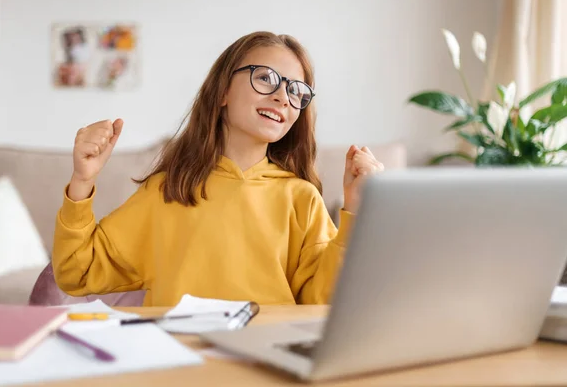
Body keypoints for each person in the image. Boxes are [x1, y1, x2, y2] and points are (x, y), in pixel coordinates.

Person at [52, 31, 384, 306]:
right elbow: (75, 272)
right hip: (181, 360)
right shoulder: (168, 191)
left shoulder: (301, 198)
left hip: (265, 365)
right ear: (222, 91)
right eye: (266, 78)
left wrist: (357, 208)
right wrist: (83, 179)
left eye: (296, 90)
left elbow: (326, 302)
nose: (283, 97)